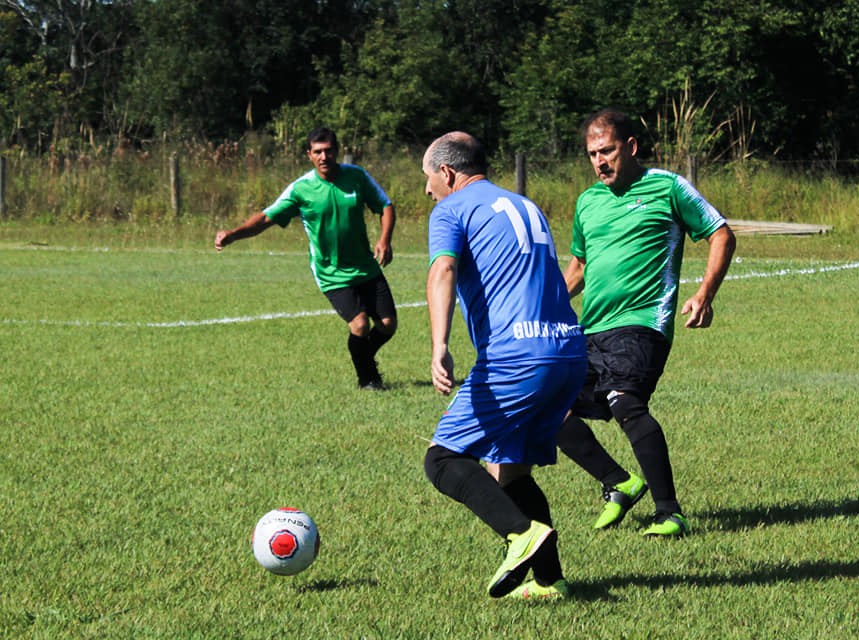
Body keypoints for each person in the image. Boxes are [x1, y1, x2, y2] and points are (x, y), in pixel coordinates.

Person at [422, 132, 587, 600]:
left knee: (442, 458)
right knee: (510, 470)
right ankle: (549, 581)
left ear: (448, 173)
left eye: (429, 179)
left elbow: (443, 270)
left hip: (518, 358)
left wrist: (439, 345)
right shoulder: (523, 204)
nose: (428, 190)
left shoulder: (451, 209)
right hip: (567, 351)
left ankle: (521, 535)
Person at [556, 108, 736, 536]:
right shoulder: (588, 202)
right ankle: (618, 483)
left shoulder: (667, 187)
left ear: (631, 147)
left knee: (624, 401)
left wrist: (704, 294)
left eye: (608, 151)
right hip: (590, 330)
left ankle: (669, 511)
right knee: (546, 405)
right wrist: (545, 306)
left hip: (642, 324)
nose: (600, 161)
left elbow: (721, 233)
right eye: (592, 154)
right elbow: (579, 265)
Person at [214, 127, 397, 390]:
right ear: (309, 155)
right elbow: (267, 217)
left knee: (388, 325)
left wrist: (385, 239)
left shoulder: (356, 177)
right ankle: (367, 378)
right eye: (318, 152)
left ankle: (363, 356)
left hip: (366, 266)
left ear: (337, 151)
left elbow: (385, 205)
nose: (324, 156)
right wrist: (233, 234)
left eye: (329, 151)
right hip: (331, 273)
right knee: (359, 325)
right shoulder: (301, 189)